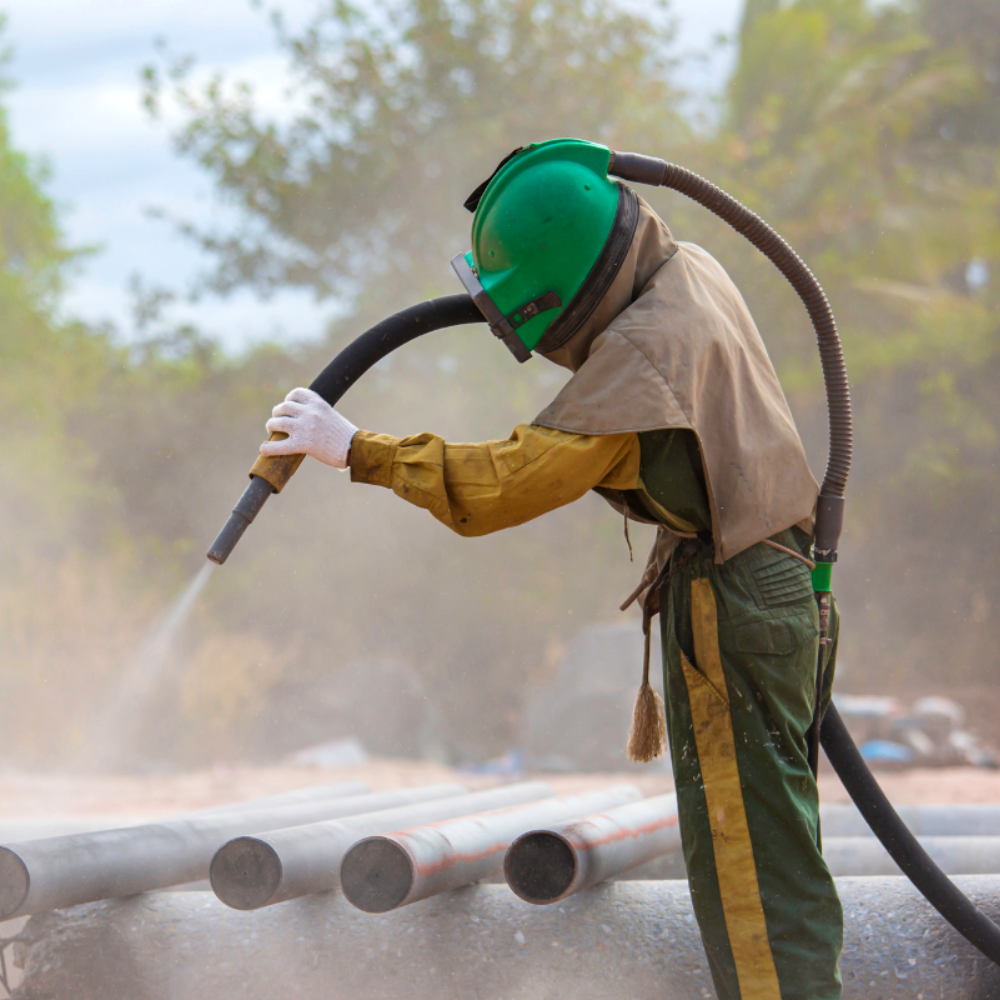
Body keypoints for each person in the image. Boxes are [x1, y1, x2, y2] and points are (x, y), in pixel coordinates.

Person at [260, 139, 843, 1000]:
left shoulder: (641, 362)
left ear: (563, 286)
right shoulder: (689, 269)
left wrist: (357, 450)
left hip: (737, 604)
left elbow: (505, 485)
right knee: (771, 851)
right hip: (783, 584)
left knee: (748, 873)